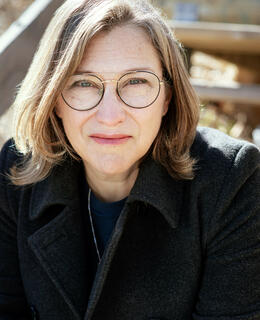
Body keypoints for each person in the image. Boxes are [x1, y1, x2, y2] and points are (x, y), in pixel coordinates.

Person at [0, 0, 259, 319]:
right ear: (53, 99)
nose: (110, 116)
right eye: (83, 83)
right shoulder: (15, 172)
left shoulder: (233, 180)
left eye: (136, 81)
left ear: (167, 97)